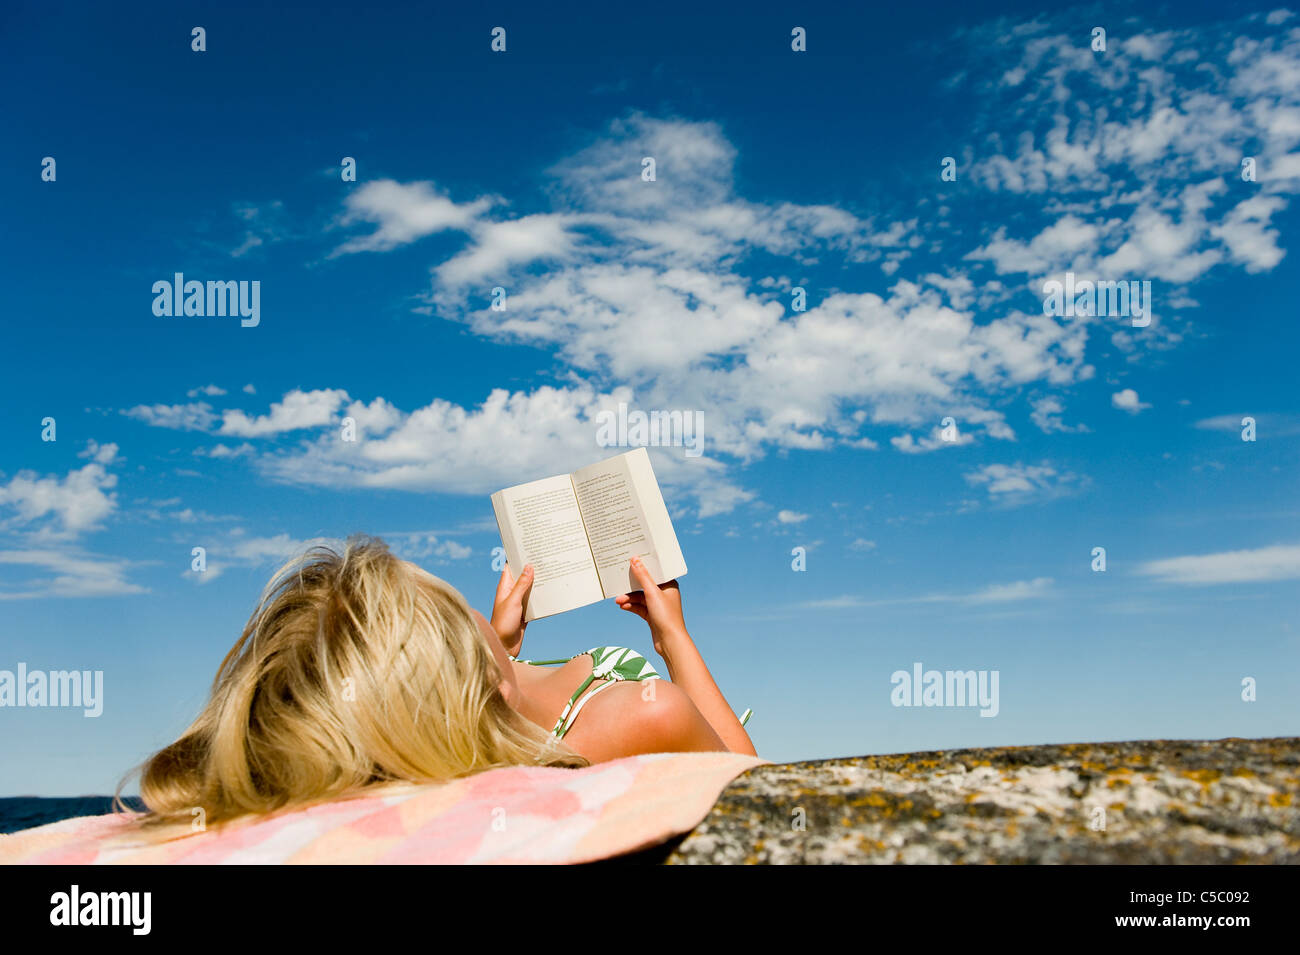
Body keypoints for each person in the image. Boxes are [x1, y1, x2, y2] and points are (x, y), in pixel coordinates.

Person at [124, 535, 755, 830]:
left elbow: (489, 706)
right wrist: (672, 635)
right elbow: (754, 779)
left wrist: (503, 650)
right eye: (456, 613)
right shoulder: (638, 719)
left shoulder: (486, 711)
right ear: (476, 685)